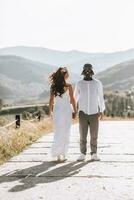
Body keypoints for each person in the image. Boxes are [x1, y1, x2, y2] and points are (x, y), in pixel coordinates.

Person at [74, 63, 105, 161]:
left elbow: (101, 97)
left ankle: (94, 154)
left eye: (89, 70)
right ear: (83, 72)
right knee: (82, 134)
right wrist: (74, 110)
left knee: (94, 135)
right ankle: (82, 154)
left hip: (94, 112)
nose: (87, 72)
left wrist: (101, 110)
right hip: (82, 112)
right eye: (86, 70)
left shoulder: (97, 83)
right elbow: (75, 98)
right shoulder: (79, 83)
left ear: (92, 71)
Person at [49, 67, 77, 161]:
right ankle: (64, 153)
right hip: (66, 110)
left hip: (57, 110)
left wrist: (51, 112)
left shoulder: (53, 87)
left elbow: (51, 101)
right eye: (67, 73)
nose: (68, 75)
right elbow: (72, 100)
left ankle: (58, 154)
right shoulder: (69, 86)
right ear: (65, 75)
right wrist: (75, 110)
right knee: (66, 131)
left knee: (58, 131)